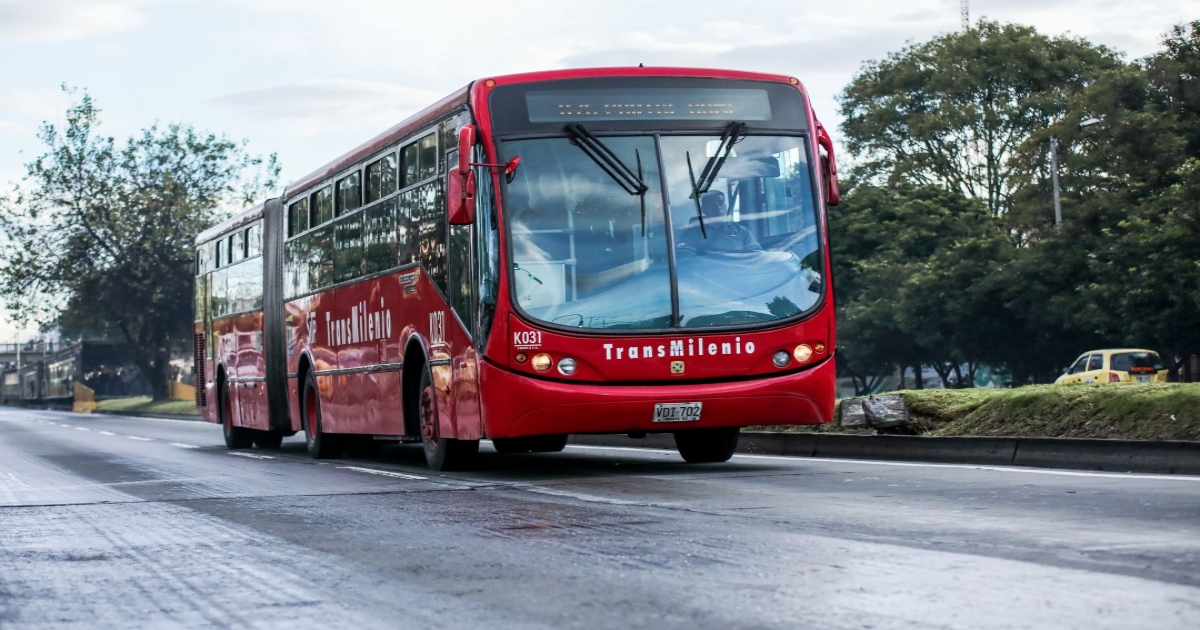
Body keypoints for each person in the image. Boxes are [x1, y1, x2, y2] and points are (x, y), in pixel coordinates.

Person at [675, 190, 762, 255]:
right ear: (703, 209)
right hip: (707, 275)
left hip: (739, 273)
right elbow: (684, 258)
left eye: (721, 203)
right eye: (712, 204)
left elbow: (757, 255)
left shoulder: (741, 231)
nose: (718, 207)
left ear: (726, 207)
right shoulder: (693, 233)